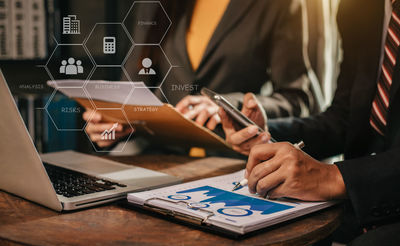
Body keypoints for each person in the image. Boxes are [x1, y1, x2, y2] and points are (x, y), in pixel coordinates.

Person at [219, 0, 400, 246]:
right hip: (363, 204)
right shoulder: (361, 8)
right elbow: (345, 118)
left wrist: (334, 178)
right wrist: (266, 136)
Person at [84, 0, 324, 148]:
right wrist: (112, 120)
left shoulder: (277, 4)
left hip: (230, 160)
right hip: (161, 158)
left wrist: (226, 105)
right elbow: (133, 90)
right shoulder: (155, 3)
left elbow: (297, 99)